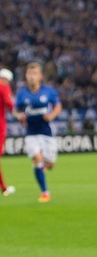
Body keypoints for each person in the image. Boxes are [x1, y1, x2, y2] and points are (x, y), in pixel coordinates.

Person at [14, 62, 61, 203]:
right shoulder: (22, 93)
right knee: (37, 159)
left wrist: (51, 116)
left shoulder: (49, 91)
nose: (31, 77)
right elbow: (15, 110)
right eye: (29, 74)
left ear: (40, 76)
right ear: (26, 76)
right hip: (31, 133)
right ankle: (45, 192)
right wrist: (19, 116)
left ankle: (43, 167)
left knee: (50, 165)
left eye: (34, 73)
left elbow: (58, 106)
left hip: (46, 133)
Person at [0, 67, 16, 197]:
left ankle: (4, 188)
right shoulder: (4, 87)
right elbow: (9, 104)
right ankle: (4, 188)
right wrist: (20, 115)